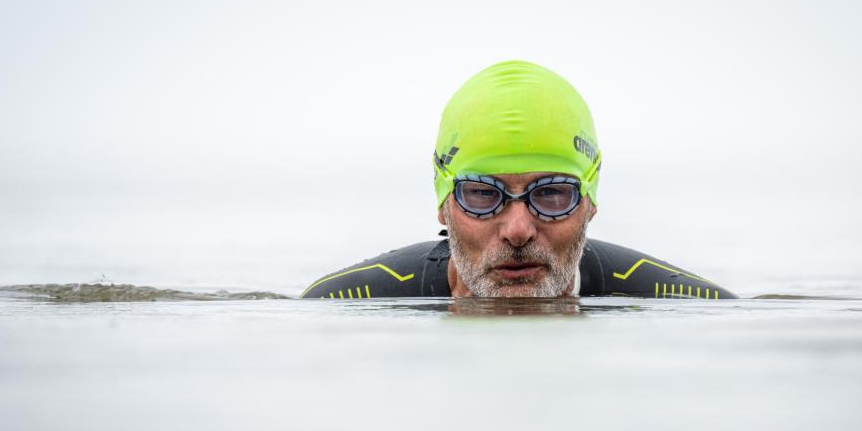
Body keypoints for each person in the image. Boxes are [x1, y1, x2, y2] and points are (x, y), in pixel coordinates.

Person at [301, 60, 736, 300]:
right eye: (481, 194)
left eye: (550, 194)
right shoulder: (340, 304)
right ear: (442, 203)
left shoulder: (694, 306)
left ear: (590, 200)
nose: (517, 230)